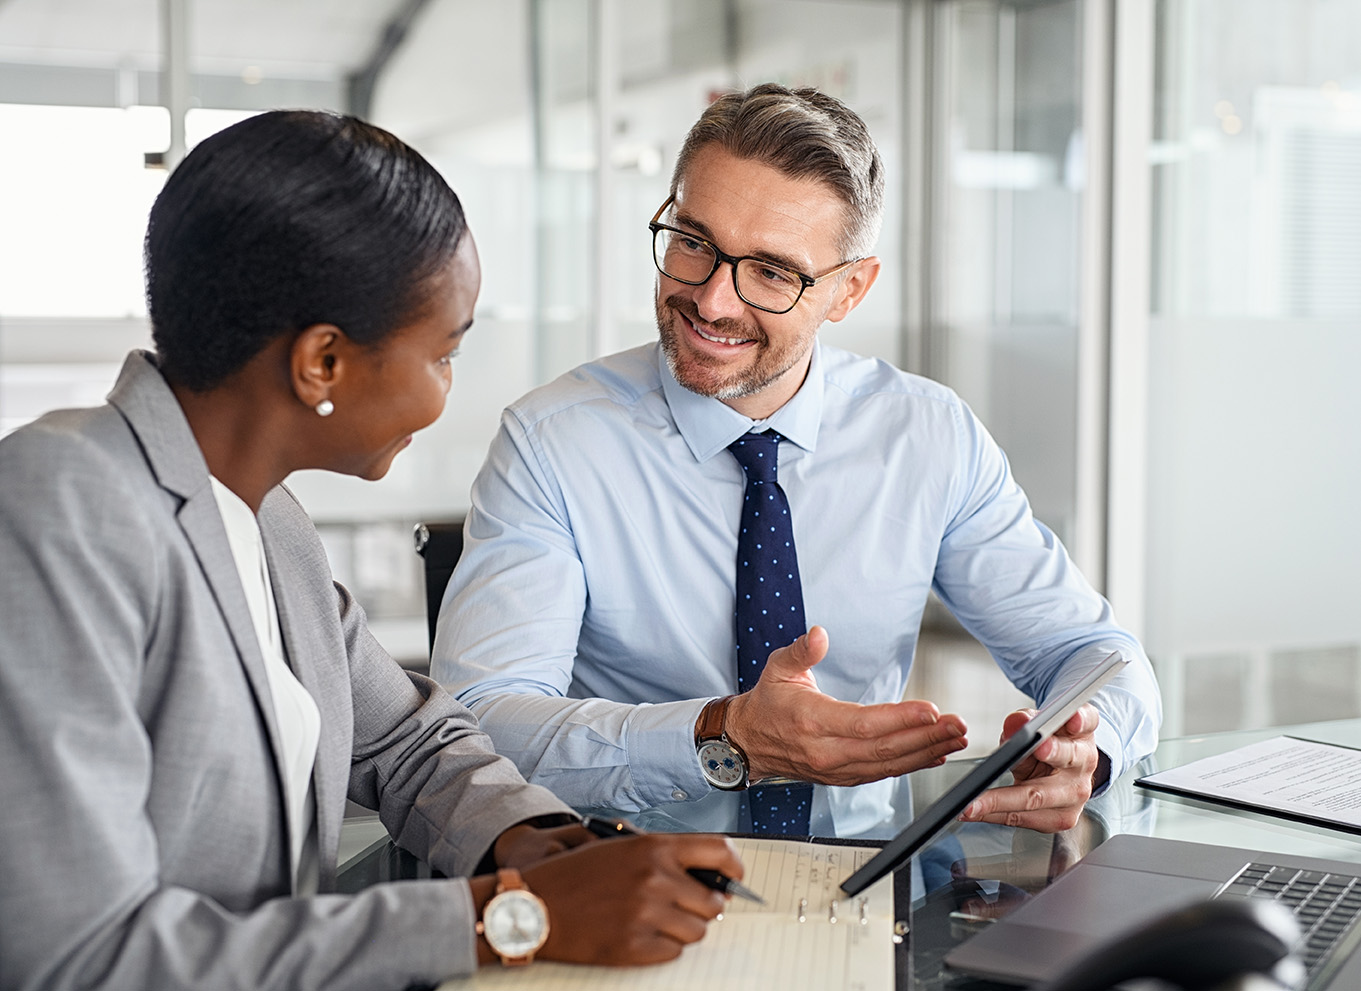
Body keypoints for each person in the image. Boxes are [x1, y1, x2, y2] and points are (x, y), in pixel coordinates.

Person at [0, 110, 743, 991]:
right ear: (322, 362)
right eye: (443, 352)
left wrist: (540, 842)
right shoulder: (60, 506)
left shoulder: (266, 517)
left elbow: (405, 737)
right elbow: (81, 952)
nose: (447, 388)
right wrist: (510, 917)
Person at [432, 83, 1161, 837]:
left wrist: (1088, 746)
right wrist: (723, 734)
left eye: (772, 273)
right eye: (692, 242)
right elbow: (477, 727)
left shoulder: (927, 434)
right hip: (626, 881)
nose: (711, 300)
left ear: (848, 290)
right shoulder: (553, 441)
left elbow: (1095, 653)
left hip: (867, 882)